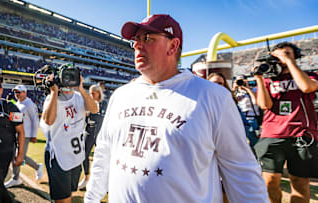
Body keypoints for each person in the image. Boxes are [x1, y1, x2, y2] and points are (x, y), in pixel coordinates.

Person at [84, 14, 268, 203]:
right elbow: (104, 152)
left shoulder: (213, 96)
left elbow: (241, 170)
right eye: (136, 40)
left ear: (173, 46)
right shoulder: (121, 95)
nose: (138, 45)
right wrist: (91, 199)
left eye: (147, 38)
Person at [253, 42, 318, 203]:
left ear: (296, 56)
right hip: (272, 133)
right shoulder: (269, 79)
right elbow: (264, 105)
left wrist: (289, 61)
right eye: (278, 55)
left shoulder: (309, 75)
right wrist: (260, 79)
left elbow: (307, 87)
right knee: (269, 181)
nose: (281, 58)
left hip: (302, 134)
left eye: (287, 53)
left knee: (300, 182)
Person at [40, 71, 98, 203]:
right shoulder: (52, 99)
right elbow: (48, 121)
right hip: (59, 157)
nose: (69, 81)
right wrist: (54, 92)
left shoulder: (79, 96)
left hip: (75, 156)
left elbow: (94, 109)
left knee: (69, 193)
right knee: (63, 199)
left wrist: (81, 88)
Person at [5, 85, 43, 188]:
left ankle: (36, 167)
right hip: (16, 134)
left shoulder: (29, 104)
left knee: (21, 156)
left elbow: (35, 120)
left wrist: (34, 135)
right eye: (16, 92)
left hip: (25, 135)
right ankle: (16, 177)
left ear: (25, 93)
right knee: (15, 156)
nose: (17, 94)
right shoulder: (17, 104)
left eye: (19, 92)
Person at [78, 84, 107, 189]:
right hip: (89, 132)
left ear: (99, 93)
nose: (91, 95)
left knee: (102, 159)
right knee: (83, 155)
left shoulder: (105, 104)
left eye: (93, 93)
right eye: (89, 93)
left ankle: (103, 182)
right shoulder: (87, 103)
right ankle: (86, 178)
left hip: (101, 134)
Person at [232, 75, 260, 147]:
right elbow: (230, 101)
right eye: (238, 81)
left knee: (254, 141)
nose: (240, 83)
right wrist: (234, 88)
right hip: (240, 119)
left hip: (252, 118)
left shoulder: (253, 90)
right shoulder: (235, 93)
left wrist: (248, 88)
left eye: (242, 81)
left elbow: (257, 101)